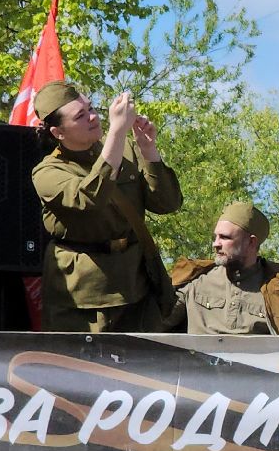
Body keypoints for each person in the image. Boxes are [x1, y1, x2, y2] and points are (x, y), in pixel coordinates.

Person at [31, 79, 183, 333]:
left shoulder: (124, 149)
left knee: (142, 369)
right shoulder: (48, 172)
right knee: (85, 369)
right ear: (59, 133)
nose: (92, 117)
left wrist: (149, 151)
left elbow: (167, 203)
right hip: (85, 298)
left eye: (91, 109)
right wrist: (117, 133)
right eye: (80, 115)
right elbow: (90, 199)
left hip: (137, 285)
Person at [169, 201, 279, 336]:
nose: (216, 244)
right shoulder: (194, 282)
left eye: (225, 237)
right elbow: (155, 323)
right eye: (215, 237)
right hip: (197, 367)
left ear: (251, 243)